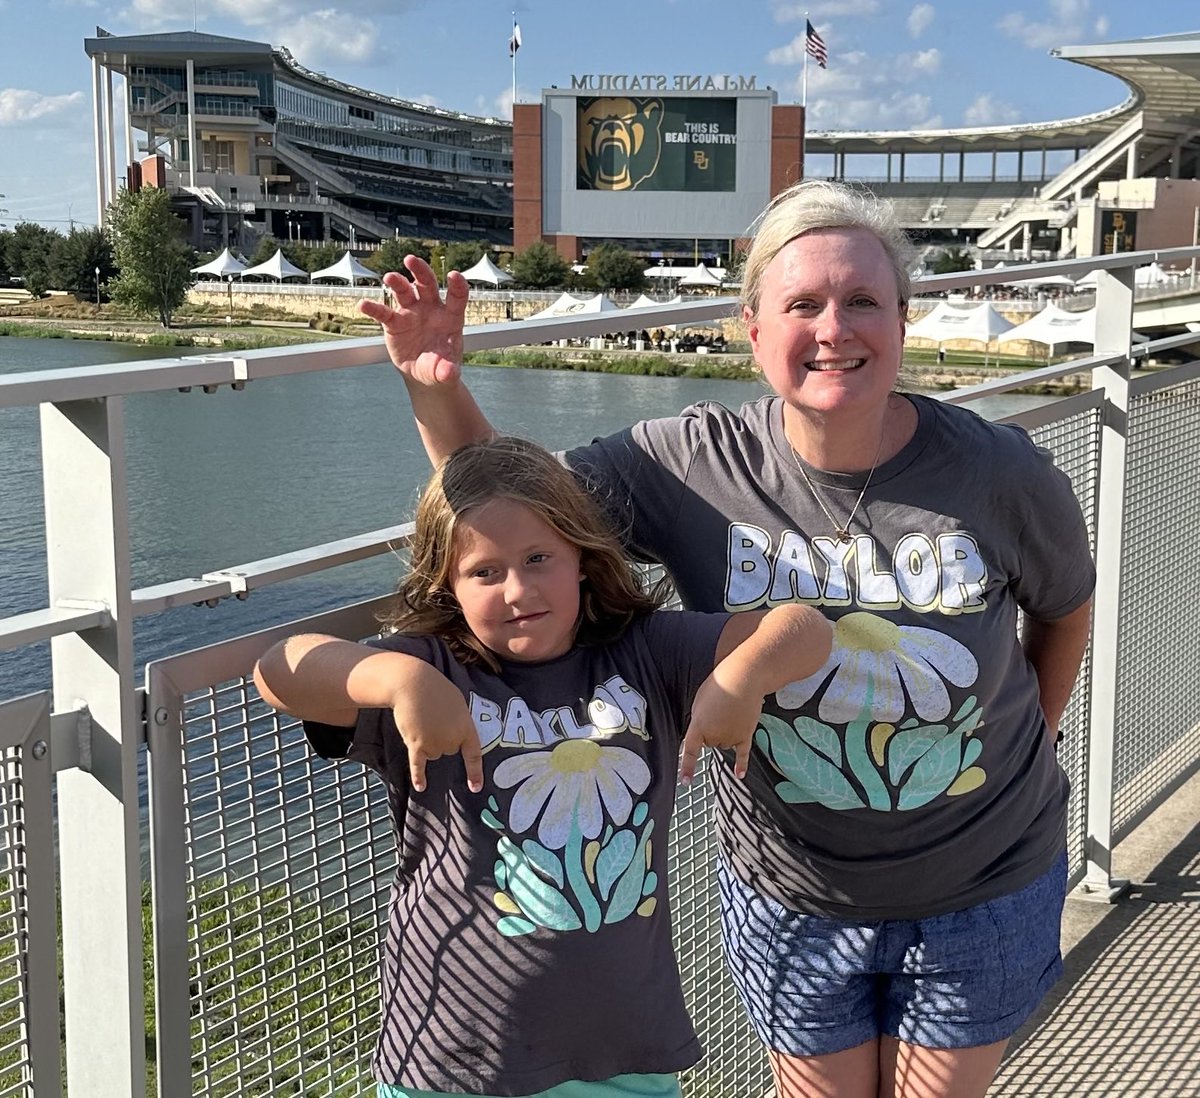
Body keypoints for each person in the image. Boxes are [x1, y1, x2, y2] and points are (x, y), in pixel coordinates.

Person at [358, 179, 1096, 1098]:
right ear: (751, 329)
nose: (835, 329)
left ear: (903, 320)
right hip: (792, 885)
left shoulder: (998, 470)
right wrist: (438, 387)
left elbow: (1064, 609)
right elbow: (519, 521)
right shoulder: (687, 464)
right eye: (803, 304)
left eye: (863, 300)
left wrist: (1032, 735)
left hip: (982, 874)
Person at [254, 436, 833, 1098]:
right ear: (446, 581)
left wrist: (741, 679)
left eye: (538, 559)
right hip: (453, 1054)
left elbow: (805, 628)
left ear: (582, 560)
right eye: (485, 572)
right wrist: (396, 680)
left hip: (624, 1052)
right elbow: (281, 668)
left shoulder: (645, 653)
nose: (519, 589)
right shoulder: (435, 669)